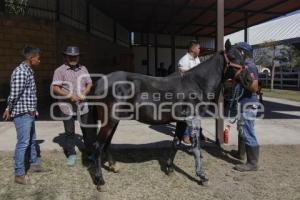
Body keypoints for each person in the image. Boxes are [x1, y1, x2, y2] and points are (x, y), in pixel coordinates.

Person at [2, 46, 49, 185]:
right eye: (38, 58)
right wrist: (8, 108)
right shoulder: (21, 72)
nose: (39, 60)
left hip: (29, 112)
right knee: (23, 143)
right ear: (31, 58)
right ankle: (19, 175)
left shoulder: (28, 71)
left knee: (32, 140)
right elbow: (14, 94)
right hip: (22, 113)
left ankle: (34, 164)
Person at [51, 46, 93, 166]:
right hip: (66, 106)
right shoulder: (59, 71)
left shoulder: (83, 68)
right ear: (66, 57)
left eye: (75, 56)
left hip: (82, 105)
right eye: (71, 56)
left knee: (87, 130)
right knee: (69, 132)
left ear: (79, 57)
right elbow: (55, 88)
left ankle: (89, 153)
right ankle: (71, 154)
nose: (73, 58)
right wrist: (70, 96)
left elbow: (89, 83)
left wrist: (84, 93)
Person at [233, 42, 260, 172]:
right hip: (243, 103)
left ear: (243, 53)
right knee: (242, 129)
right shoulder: (244, 66)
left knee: (248, 131)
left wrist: (240, 78)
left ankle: (252, 163)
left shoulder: (250, 67)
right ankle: (241, 154)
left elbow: (254, 87)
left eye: (238, 52)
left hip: (248, 104)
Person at [177, 40, 202, 146]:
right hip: (187, 92)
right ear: (192, 49)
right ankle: (186, 135)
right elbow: (185, 77)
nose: (200, 50)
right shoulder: (183, 60)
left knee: (196, 114)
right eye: (198, 48)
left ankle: (198, 133)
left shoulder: (197, 59)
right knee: (188, 114)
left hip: (196, 91)